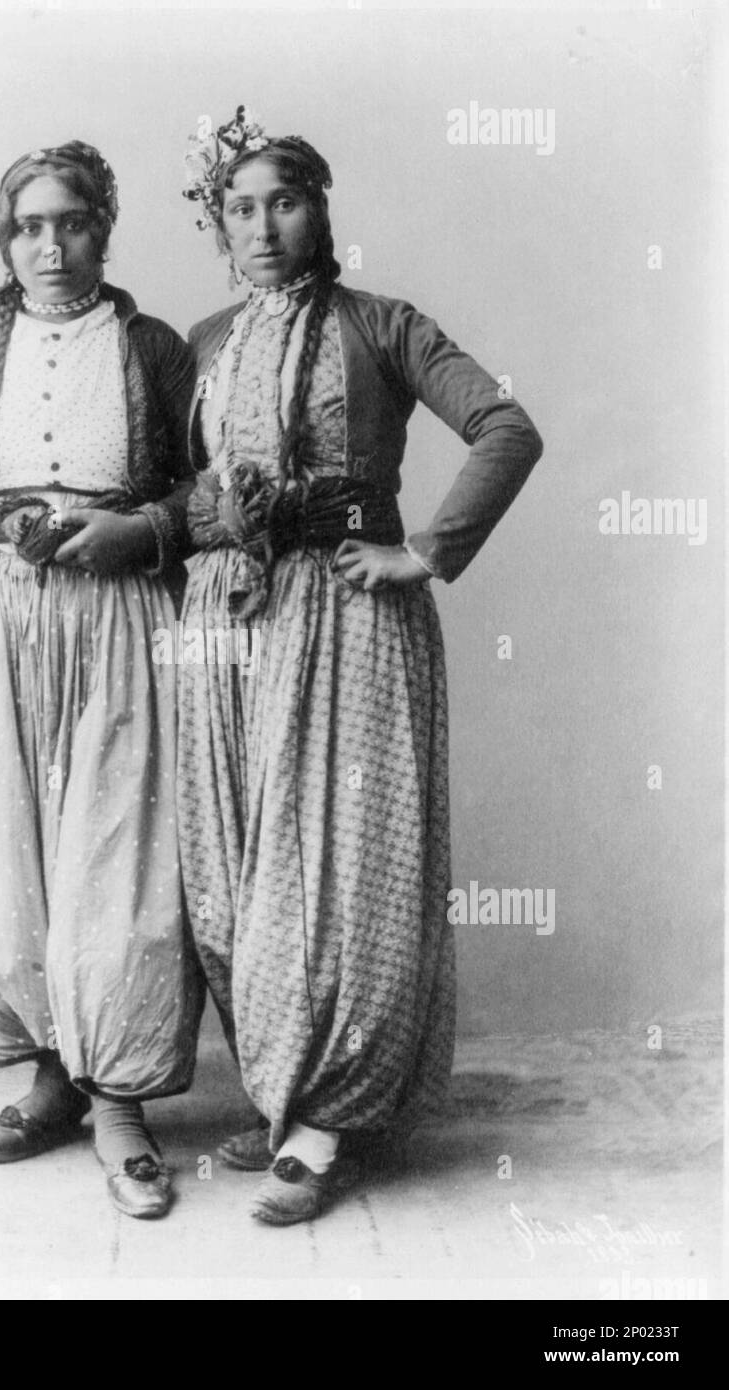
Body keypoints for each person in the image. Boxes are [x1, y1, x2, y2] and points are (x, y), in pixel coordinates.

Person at [177, 107, 544, 1225]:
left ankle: (329, 1118)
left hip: (347, 623)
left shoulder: (382, 325)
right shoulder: (200, 343)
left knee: (336, 875)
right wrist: (208, 511)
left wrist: (423, 551)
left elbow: (504, 426)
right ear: (218, 224)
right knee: (228, 879)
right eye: (239, 208)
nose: (262, 227)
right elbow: (176, 494)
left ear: (319, 210)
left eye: (283, 201)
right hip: (226, 626)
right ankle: (279, 1084)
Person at [0, 141, 202, 1219]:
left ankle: (120, 1099)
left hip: (124, 618)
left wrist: (142, 529)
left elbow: (208, 495)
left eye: (70, 221)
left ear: (102, 230)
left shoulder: (156, 349)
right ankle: (54, 1080)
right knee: (8, 854)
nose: (50, 245)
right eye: (28, 226)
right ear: (5, 239)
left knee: (124, 857)